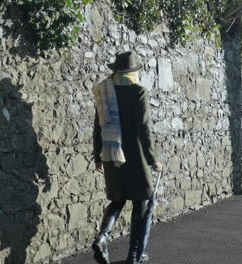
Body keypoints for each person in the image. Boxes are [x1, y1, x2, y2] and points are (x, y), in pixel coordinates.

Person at [92, 51, 162, 264]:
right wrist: (153, 159)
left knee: (117, 199)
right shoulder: (138, 92)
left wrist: (97, 157)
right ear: (132, 72)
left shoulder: (104, 91)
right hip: (136, 158)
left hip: (111, 156)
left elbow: (98, 127)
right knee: (141, 203)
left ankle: (103, 236)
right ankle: (134, 255)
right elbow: (144, 128)